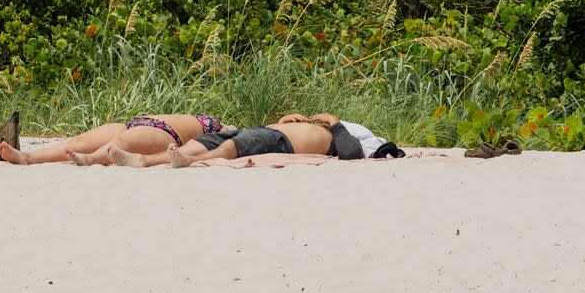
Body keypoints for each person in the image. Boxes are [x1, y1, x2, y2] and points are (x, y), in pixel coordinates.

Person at [107, 112, 392, 169]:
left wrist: (333, 121)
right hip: (266, 130)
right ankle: (144, 160)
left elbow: (351, 153)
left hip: (279, 141)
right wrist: (287, 119)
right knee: (203, 141)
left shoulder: (344, 135)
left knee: (231, 148)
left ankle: (188, 162)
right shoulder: (315, 126)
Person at [0, 112, 226, 166]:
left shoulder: (220, 130)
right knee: (77, 141)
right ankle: (28, 156)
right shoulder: (213, 123)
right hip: (137, 121)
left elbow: (236, 139)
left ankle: (91, 159)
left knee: (120, 143)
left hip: (166, 133)